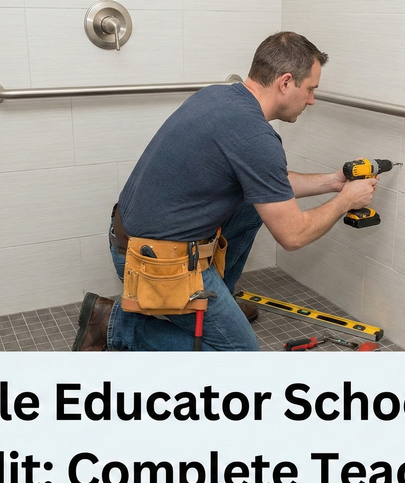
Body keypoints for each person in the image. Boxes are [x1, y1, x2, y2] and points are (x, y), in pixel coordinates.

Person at [71, 31, 377, 351]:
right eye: (310, 88)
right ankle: (113, 326)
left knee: (252, 204)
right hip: (153, 262)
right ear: (286, 82)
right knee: (239, 354)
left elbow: (268, 182)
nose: (312, 100)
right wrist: (346, 200)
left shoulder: (221, 97)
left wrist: (332, 182)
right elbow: (293, 235)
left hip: (130, 236)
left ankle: (220, 303)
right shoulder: (255, 136)